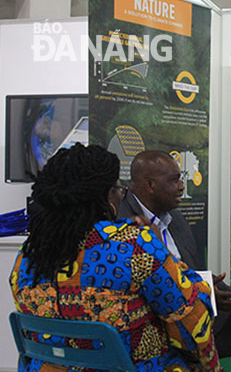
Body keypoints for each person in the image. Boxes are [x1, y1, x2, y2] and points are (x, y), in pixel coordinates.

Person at [10, 143, 220, 372]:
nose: (122, 196)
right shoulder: (134, 246)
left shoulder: (28, 255)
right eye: (119, 189)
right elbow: (189, 321)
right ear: (108, 196)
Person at [118, 150, 231, 372]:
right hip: (156, 324)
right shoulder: (121, 222)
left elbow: (194, 274)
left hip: (192, 312)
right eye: (174, 181)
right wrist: (205, 296)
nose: (182, 187)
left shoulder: (177, 220)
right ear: (150, 185)